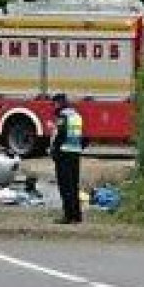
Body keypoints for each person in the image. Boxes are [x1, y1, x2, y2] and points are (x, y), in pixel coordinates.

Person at [50, 93, 86, 224]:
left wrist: (55, 149)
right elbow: (83, 137)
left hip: (64, 154)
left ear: (59, 103)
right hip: (75, 154)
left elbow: (61, 134)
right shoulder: (77, 115)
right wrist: (78, 148)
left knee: (65, 186)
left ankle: (68, 216)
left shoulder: (63, 116)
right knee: (74, 185)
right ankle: (77, 215)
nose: (53, 107)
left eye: (54, 104)